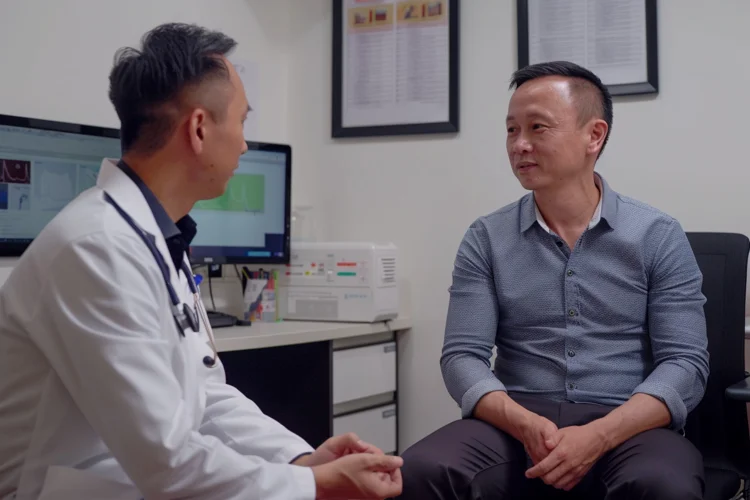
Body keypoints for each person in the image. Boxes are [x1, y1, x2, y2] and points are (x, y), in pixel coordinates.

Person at [0, 23, 402, 500]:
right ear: (198, 128)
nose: (245, 145)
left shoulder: (152, 236)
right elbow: (168, 463)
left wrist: (298, 459)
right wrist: (313, 484)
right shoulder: (94, 247)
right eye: (242, 122)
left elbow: (205, 396)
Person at [397, 61, 709, 500]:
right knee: (421, 470)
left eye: (537, 128)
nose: (519, 145)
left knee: (664, 486)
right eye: (511, 130)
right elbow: (462, 357)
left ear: (594, 136)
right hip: (516, 422)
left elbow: (685, 366)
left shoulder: (657, 235)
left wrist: (600, 434)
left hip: (626, 423)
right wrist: (521, 421)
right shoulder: (486, 237)